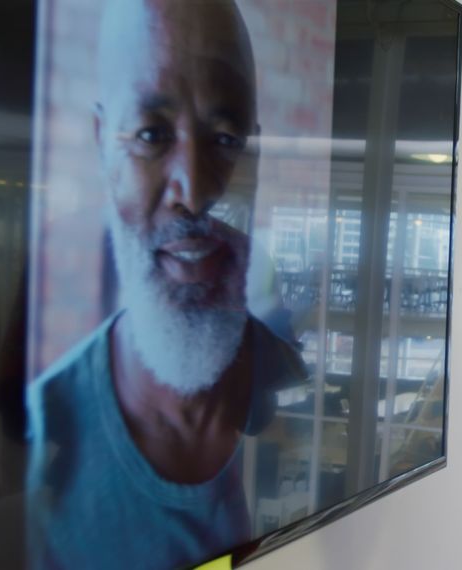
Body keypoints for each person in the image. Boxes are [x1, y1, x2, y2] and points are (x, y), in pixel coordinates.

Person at [25, 1, 305, 568]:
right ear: (103, 143)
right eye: (152, 133)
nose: (194, 189)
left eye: (226, 138)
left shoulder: (288, 382)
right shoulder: (40, 432)